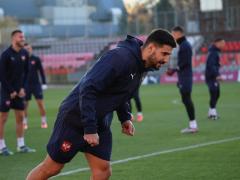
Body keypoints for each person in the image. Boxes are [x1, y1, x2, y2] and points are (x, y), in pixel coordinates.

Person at [26, 29, 176, 180]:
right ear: (151, 48)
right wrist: (89, 128)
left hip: (100, 122)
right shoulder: (119, 58)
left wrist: (125, 117)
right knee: (51, 168)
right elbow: (88, 88)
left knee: (102, 171)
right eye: (164, 54)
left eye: (168, 55)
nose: (166, 60)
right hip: (76, 118)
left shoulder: (143, 66)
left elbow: (121, 92)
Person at [0, 30, 36, 156]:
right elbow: (2, 76)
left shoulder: (24, 53)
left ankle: (21, 145)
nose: (23, 39)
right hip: (7, 92)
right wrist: (11, 91)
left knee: (20, 118)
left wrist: (22, 88)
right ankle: (2, 146)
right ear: (14, 38)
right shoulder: (5, 55)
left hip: (19, 92)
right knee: (2, 119)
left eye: (23, 37)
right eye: (21, 37)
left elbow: (26, 73)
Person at [169, 26, 198, 133]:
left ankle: (193, 126)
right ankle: (193, 125)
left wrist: (173, 70)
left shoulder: (185, 46)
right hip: (184, 77)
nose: (172, 36)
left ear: (178, 33)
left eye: (173, 34)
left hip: (185, 77)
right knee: (186, 99)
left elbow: (184, 63)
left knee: (187, 99)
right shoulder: (183, 45)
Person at [23, 43, 48, 129]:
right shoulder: (21, 59)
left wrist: (44, 83)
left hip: (36, 85)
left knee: (40, 103)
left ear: (31, 49)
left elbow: (41, 71)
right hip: (25, 86)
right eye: (25, 48)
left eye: (28, 48)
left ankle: (44, 121)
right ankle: (25, 123)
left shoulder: (36, 59)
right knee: (24, 105)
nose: (27, 50)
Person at [205, 38, 225, 120]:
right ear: (217, 43)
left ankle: (211, 112)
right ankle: (212, 114)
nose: (224, 45)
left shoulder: (214, 51)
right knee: (214, 93)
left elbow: (213, 64)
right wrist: (217, 75)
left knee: (217, 94)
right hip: (211, 76)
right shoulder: (213, 52)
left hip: (213, 75)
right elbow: (211, 65)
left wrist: (218, 64)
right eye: (222, 43)